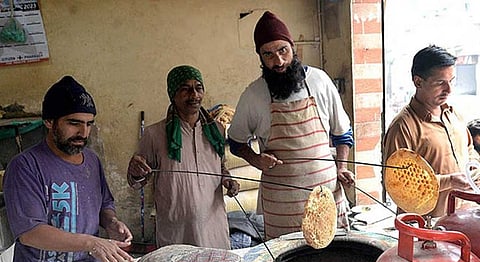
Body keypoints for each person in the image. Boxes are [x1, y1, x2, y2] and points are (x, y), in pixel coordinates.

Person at [227, 11, 355, 240]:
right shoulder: (253, 95)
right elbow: (236, 142)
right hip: (281, 207)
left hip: (326, 196)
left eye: (282, 51)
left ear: (292, 48)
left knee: (333, 261)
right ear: (260, 57)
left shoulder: (319, 81)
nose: (278, 62)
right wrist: (256, 160)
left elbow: (342, 133)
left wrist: (342, 167)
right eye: (268, 54)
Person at [3, 75, 134, 262]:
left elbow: (104, 204)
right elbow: (30, 232)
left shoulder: (91, 161)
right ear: (49, 121)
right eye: (74, 123)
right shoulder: (25, 166)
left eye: (89, 124)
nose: (84, 133)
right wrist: (92, 243)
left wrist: (111, 223)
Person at [127, 65, 239, 249]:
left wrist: (228, 179)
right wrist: (135, 171)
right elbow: (136, 182)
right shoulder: (154, 134)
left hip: (213, 229)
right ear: (173, 94)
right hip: (176, 231)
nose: (194, 95)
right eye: (185, 89)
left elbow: (220, 167)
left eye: (198, 88)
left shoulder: (216, 130)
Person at [384, 45, 480, 217]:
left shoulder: (452, 113)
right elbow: (396, 183)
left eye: (451, 81)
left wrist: (472, 168)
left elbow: (469, 148)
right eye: (440, 83)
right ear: (418, 82)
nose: (449, 90)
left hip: (462, 215)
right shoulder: (403, 127)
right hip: (427, 226)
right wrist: (449, 181)